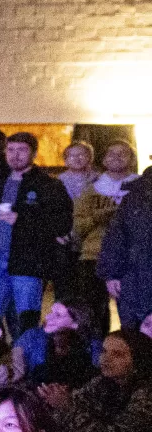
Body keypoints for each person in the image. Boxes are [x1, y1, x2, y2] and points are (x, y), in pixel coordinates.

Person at [0, 132, 71, 336]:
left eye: (21, 150)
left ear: (34, 153)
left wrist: (22, 220)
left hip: (27, 264)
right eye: (10, 150)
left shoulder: (48, 185)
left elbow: (61, 223)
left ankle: (25, 366)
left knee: (25, 324)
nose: (15, 155)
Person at [69, 141, 136, 332]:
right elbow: (78, 226)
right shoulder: (93, 188)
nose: (116, 157)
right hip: (94, 255)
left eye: (122, 153)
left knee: (131, 313)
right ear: (104, 159)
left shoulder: (141, 187)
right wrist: (97, 218)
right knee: (93, 314)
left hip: (131, 258)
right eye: (111, 153)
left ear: (131, 159)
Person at [100, 172, 152, 336]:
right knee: (132, 335)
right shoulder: (136, 196)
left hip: (135, 275)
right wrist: (112, 273)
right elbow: (116, 236)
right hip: (132, 277)